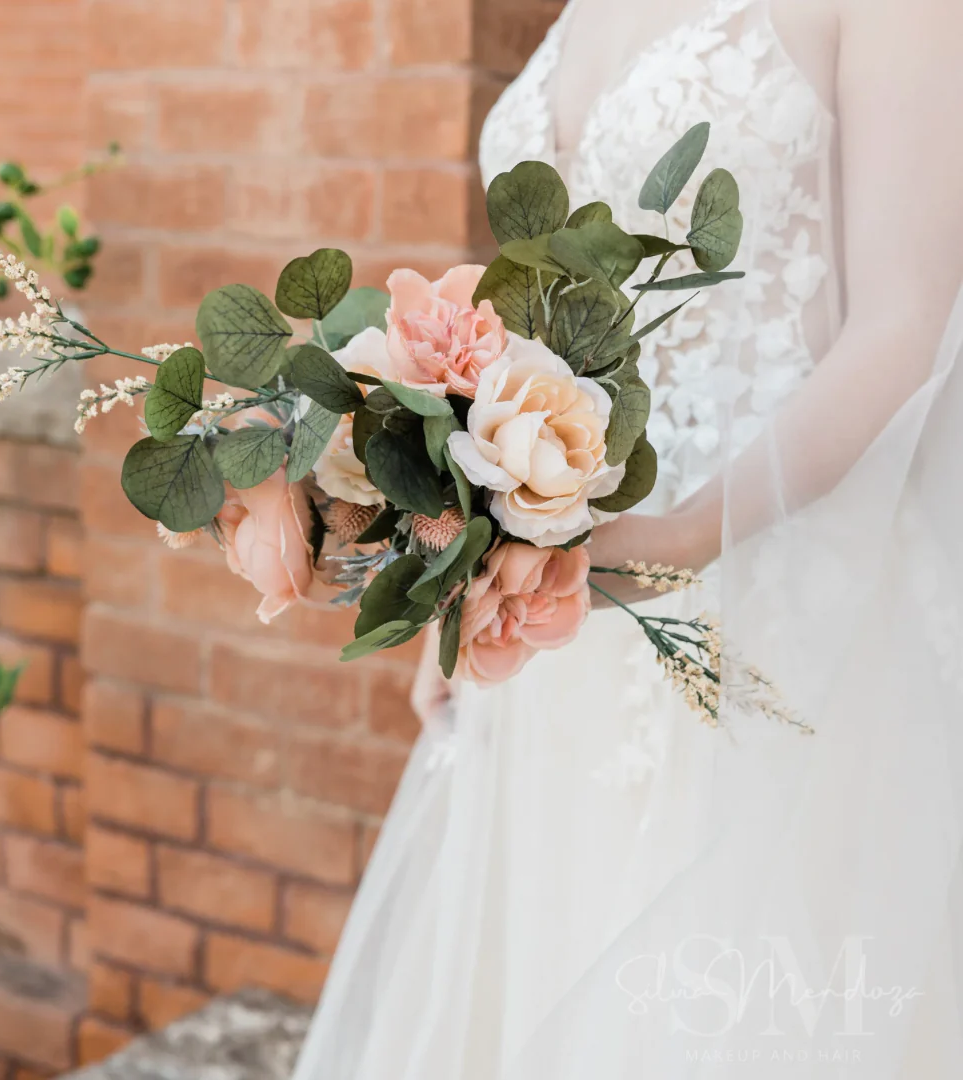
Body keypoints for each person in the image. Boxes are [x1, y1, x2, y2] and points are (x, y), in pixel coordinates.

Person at [290, 1, 963, 1076]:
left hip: (788, 605)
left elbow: (904, 327)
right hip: (566, 605)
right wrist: (468, 571)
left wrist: (688, 534)